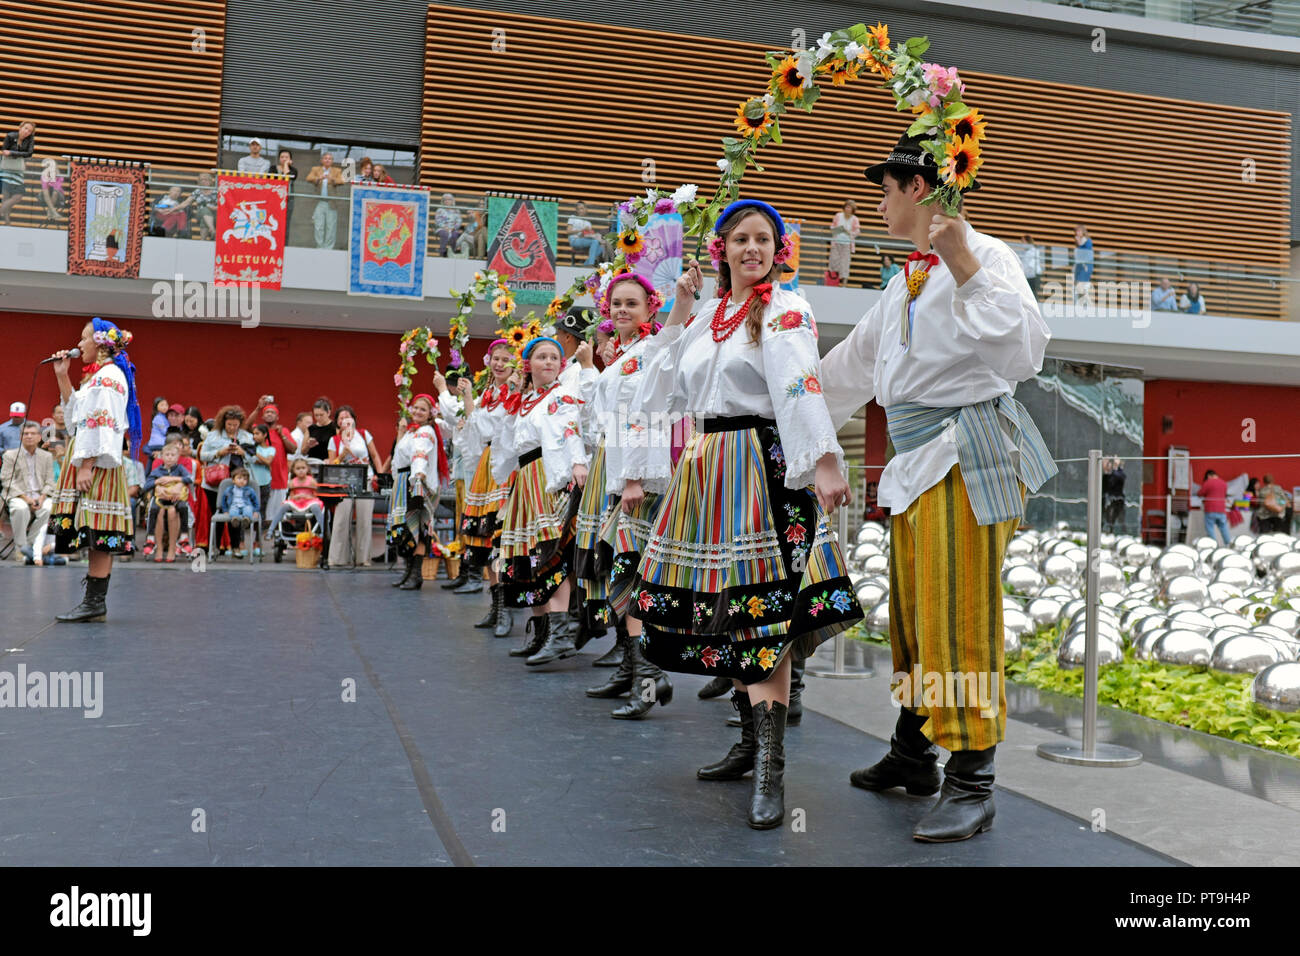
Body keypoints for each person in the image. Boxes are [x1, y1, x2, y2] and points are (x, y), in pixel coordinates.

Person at [821, 131, 1056, 843]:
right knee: (917, 618)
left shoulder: (986, 258)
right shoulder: (902, 283)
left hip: (967, 455)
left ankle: (973, 779)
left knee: (960, 616)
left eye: (886, 188)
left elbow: (1025, 352)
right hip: (918, 462)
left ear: (917, 188)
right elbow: (848, 370)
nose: (880, 201)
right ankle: (915, 751)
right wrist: (783, 402)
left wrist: (963, 264)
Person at [624, 199, 862, 830]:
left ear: (776, 250)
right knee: (727, 609)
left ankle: (771, 770)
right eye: (740, 239)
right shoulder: (706, 316)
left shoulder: (785, 307)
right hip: (706, 468)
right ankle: (749, 743)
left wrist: (825, 459)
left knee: (763, 615)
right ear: (720, 249)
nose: (751, 249)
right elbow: (658, 392)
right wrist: (677, 311)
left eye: (763, 239)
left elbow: (798, 383)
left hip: (762, 463)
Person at [579, 273, 675, 718]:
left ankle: (649, 677)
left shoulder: (650, 351)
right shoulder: (623, 355)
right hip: (618, 473)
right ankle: (634, 670)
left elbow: (647, 415)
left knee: (634, 575)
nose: (621, 310)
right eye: (616, 303)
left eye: (631, 304)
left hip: (641, 478)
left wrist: (634, 478)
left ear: (650, 310)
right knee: (623, 572)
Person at [492, 336, 591, 665]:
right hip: (525, 478)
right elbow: (508, 442)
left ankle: (560, 633)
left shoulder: (561, 395)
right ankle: (542, 631)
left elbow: (570, 428)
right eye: (541, 357)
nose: (549, 362)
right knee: (528, 556)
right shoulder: (526, 400)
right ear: (529, 364)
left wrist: (578, 463)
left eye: (554, 357)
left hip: (547, 476)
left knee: (552, 553)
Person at [47, 318, 143, 621]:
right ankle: (93, 602)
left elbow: (103, 423)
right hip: (88, 456)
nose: (78, 344)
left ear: (100, 344)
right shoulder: (98, 377)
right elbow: (75, 418)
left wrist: (87, 465)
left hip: (97, 462)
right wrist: (63, 377)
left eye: (83, 338)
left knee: (97, 528)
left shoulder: (109, 377)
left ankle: (95, 602)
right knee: (92, 529)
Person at [450, 340, 518, 631]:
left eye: (506, 359)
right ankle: (496, 605)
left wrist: (516, 388)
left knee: (501, 540)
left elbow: (505, 425)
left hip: (505, 463)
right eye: (496, 358)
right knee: (485, 536)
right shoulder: (489, 393)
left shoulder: (515, 392)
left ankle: (506, 609)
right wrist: (468, 396)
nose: (500, 364)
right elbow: (476, 430)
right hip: (487, 464)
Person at [386, 394, 450, 590]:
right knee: (407, 528)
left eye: (423, 409)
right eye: (415, 408)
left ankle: (416, 574)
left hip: (416, 481)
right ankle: (409, 572)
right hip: (406, 480)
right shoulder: (411, 431)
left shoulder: (425, 431)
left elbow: (419, 455)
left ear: (430, 413)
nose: (418, 412)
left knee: (418, 527)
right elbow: (399, 456)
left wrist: (419, 476)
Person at [326, 405, 387, 569]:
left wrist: (380, 476)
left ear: (353, 419)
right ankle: (337, 558)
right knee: (341, 520)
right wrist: (342, 455)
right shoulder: (334, 440)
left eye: (348, 416)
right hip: (344, 483)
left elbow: (374, 455)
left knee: (364, 520)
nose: (345, 419)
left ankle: (363, 558)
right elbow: (332, 464)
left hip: (365, 479)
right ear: (337, 422)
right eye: (341, 417)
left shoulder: (364, 434)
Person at [2, 421, 55, 563]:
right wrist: (27, 499)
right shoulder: (10, 455)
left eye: (33, 434)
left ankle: (30, 546)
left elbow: (50, 481)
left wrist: (42, 497)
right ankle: (21, 547)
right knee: (20, 508)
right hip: (19, 495)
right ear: (20, 436)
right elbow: (7, 480)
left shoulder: (46, 456)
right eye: (26, 434)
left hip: (41, 495)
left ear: (39, 437)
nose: (29, 436)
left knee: (49, 508)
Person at [199, 406, 253, 532]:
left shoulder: (247, 437)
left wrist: (243, 452)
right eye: (229, 424)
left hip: (239, 480)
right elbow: (202, 455)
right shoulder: (213, 435)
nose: (232, 427)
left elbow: (254, 459)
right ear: (223, 422)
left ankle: (234, 547)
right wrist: (219, 453)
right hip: (215, 481)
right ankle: (216, 546)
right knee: (217, 512)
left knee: (237, 512)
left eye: (235, 425)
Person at [143, 439, 193, 562]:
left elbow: (189, 478)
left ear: (178, 457)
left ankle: (176, 545)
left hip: (175, 500)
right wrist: (158, 482)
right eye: (167, 455)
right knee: (156, 511)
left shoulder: (180, 469)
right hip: (161, 499)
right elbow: (146, 485)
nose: (170, 458)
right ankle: (154, 543)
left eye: (173, 455)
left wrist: (175, 480)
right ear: (162, 456)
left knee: (174, 511)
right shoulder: (157, 471)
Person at [249, 397, 298, 521]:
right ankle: (258, 538)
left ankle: (274, 538)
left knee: (277, 517)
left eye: (273, 412)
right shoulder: (258, 431)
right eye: (266, 412)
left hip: (278, 479)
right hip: (260, 478)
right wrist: (258, 408)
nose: (269, 414)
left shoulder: (284, 431)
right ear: (263, 416)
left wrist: (282, 435)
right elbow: (246, 426)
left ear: (277, 417)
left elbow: (293, 449)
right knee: (259, 514)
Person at [218, 467, 262, 558]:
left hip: (245, 505)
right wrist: (225, 510)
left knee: (248, 510)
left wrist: (256, 511)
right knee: (233, 511)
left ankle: (246, 520)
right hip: (234, 506)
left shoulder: (249, 490)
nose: (242, 481)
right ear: (233, 480)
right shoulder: (229, 490)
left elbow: (255, 502)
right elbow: (223, 501)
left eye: (245, 479)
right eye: (239, 478)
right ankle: (235, 520)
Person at [306, 152, 345, 249]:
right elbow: (308, 178)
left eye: (330, 158)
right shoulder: (316, 169)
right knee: (318, 226)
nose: (328, 160)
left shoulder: (337, 170)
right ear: (322, 160)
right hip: (320, 202)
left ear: (332, 161)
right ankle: (319, 246)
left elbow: (342, 181)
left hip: (331, 202)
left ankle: (328, 248)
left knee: (331, 227)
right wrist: (319, 178)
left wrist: (332, 179)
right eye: (326, 158)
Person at [0, 120, 36, 226]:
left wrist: (12, 152)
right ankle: (6, 221)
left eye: (30, 131)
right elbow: (4, 150)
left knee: (18, 196)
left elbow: (29, 153)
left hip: (18, 170)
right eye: (26, 128)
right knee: (6, 196)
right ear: (20, 127)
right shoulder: (10, 136)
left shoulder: (30, 140)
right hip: (6, 169)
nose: (27, 132)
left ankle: (1, 213)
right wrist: (18, 154)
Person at [249, 424, 276, 529]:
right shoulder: (251, 447)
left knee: (262, 509)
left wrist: (255, 454)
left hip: (265, 481)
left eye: (257, 433)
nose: (254, 436)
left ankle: (258, 537)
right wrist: (261, 460)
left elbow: (268, 461)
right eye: (253, 434)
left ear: (265, 435)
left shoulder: (270, 449)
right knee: (250, 508)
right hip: (252, 481)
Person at [828, 200, 860, 285]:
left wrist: (849, 232)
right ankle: (833, 283)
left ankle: (844, 285)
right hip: (836, 242)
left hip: (847, 244)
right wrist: (837, 229)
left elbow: (857, 231)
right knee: (834, 261)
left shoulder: (855, 219)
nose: (848, 209)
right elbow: (832, 227)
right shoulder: (838, 215)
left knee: (845, 263)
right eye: (847, 207)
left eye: (850, 207)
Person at [566, 201, 603, 267]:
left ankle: (585, 264)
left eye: (582, 208)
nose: (580, 210)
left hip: (584, 240)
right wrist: (582, 230)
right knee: (594, 242)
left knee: (601, 248)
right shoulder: (573, 217)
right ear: (576, 210)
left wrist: (591, 233)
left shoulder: (588, 223)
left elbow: (587, 235)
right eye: (579, 209)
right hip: (574, 239)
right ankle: (590, 264)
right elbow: (568, 231)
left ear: (586, 209)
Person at [1200, 469, 1230, 547]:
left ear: (1209, 476)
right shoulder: (1224, 483)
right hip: (1221, 509)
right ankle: (1228, 544)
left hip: (1210, 509)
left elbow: (1200, 493)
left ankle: (1214, 545)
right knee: (1223, 528)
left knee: (1210, 528)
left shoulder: (1208, 482)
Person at [276, 149, 299, 232]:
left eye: (286, 157)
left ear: (290, 159)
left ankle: (284, 244)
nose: (284, 159)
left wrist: (286, 165)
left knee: (286, 223)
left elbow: (287, 178)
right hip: (274, 198)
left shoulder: (294, 170)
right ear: (279, 159)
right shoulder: (273, 168)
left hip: (288, 200)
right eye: (282, 157)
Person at [1102, 456, 1126, 533]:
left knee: (1116, 518)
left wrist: (1116, 467)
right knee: (1107, 518)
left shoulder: (1119, 474)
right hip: (1108, 501)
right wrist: (1106, 470)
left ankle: (1112, 530)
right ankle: (1108, 529)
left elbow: (1120, 478)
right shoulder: (1108, 475)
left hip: (1117, 501)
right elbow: (1105, 486)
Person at [191, 171, 217, 241]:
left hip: (215, 214)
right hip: (200, 213)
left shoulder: (216, 191)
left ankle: (203, 240)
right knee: (205, 209)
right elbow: (186, 203)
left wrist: (214, 208)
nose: (203, 182)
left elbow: (223, 205)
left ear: (210, 181)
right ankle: (212, 229)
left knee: (204, 219)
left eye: (206, 180)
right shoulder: (197, 192)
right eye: (201, 180)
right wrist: (173, 209)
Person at [1016, 234, 1043, 299]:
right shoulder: (1027, 252)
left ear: (1027, 241)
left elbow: (1030, 265)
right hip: (1028, 276)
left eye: (1023, 242)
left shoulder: (1034, 251)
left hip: (1034, 276)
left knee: (1033, 294)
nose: (1022, 244)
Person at [39, 156, 66, 222]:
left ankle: (50, 211)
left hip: (58, 195)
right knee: (46, 191)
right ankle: (53, 212)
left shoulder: (59, 176)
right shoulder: (44, 176)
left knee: (55, 192)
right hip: (46, 195)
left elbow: (56, 189)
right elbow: (45, 193)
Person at [1073, 223, 1094, 305]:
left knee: (1083, 284)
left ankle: (1087, 302)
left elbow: (1086, 251)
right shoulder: (1079, 241)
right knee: (1078, 284)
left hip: (1086, 265)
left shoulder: (1087, 241)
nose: (1077, 233)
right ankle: (1080, 302)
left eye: (1078, 231)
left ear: (1083, 232)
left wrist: (1079, 243)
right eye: (1076, 231)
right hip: (1079, 265)